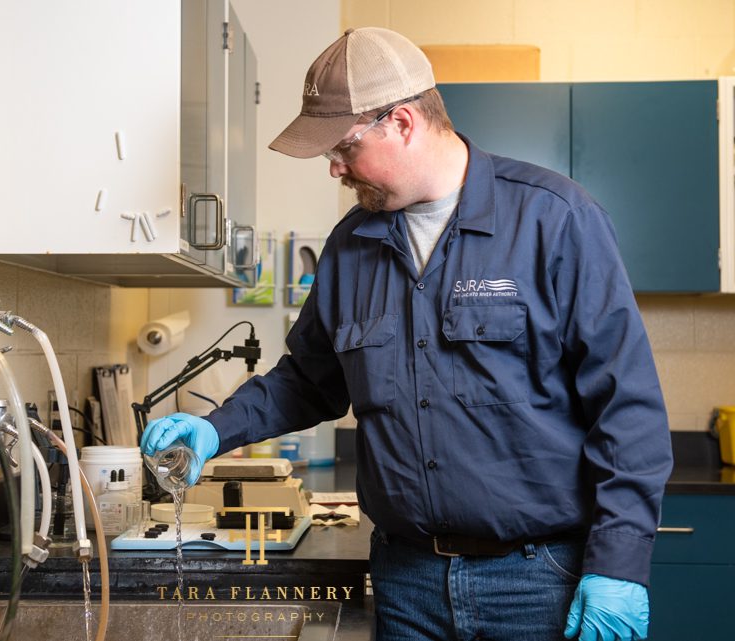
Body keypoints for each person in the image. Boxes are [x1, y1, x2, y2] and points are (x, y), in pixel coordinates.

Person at [141, 27, 672, 641]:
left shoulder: (557, 220)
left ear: (401, 122)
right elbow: (309, 380)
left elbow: (626, 409)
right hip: (407, 581)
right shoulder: (350, 246)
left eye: (342, 147)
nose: (334, 168)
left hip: (538, 579)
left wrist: (621, 566)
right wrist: (216, 427)